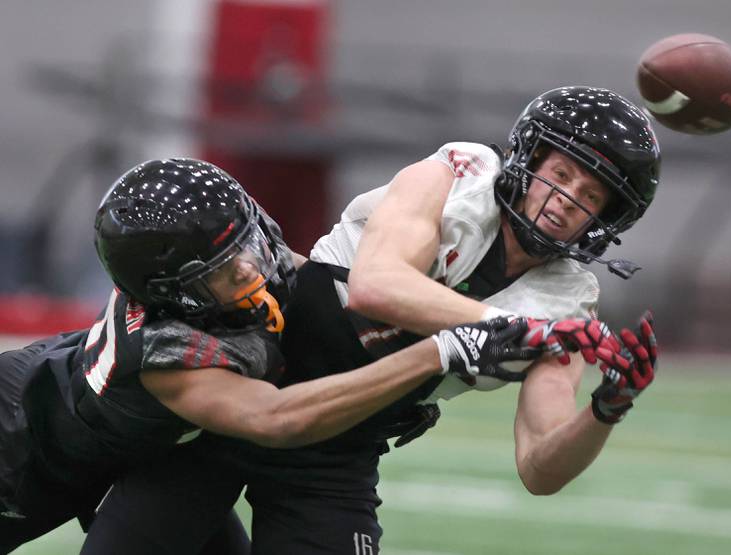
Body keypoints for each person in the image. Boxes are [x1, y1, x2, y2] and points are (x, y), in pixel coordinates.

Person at [79, 86, 659, 555]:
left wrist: (607, 409)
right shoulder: (457, 176)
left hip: (339, 445)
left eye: (590, 196)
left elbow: (540, 468)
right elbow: (374, 287)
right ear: (528, 159)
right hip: (242, 389)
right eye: (560, 175)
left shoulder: (568, 303)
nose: (565, 201)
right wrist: (507, 327)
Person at [0, 157, 591, 554]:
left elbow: (334, 288)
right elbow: (278, 418)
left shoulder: (230, 265)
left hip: (124, 447)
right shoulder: (166, 351)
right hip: (21, 456)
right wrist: (433, 354)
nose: (255, 266)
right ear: (176, 295)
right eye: (224, 270)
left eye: (247, 241)